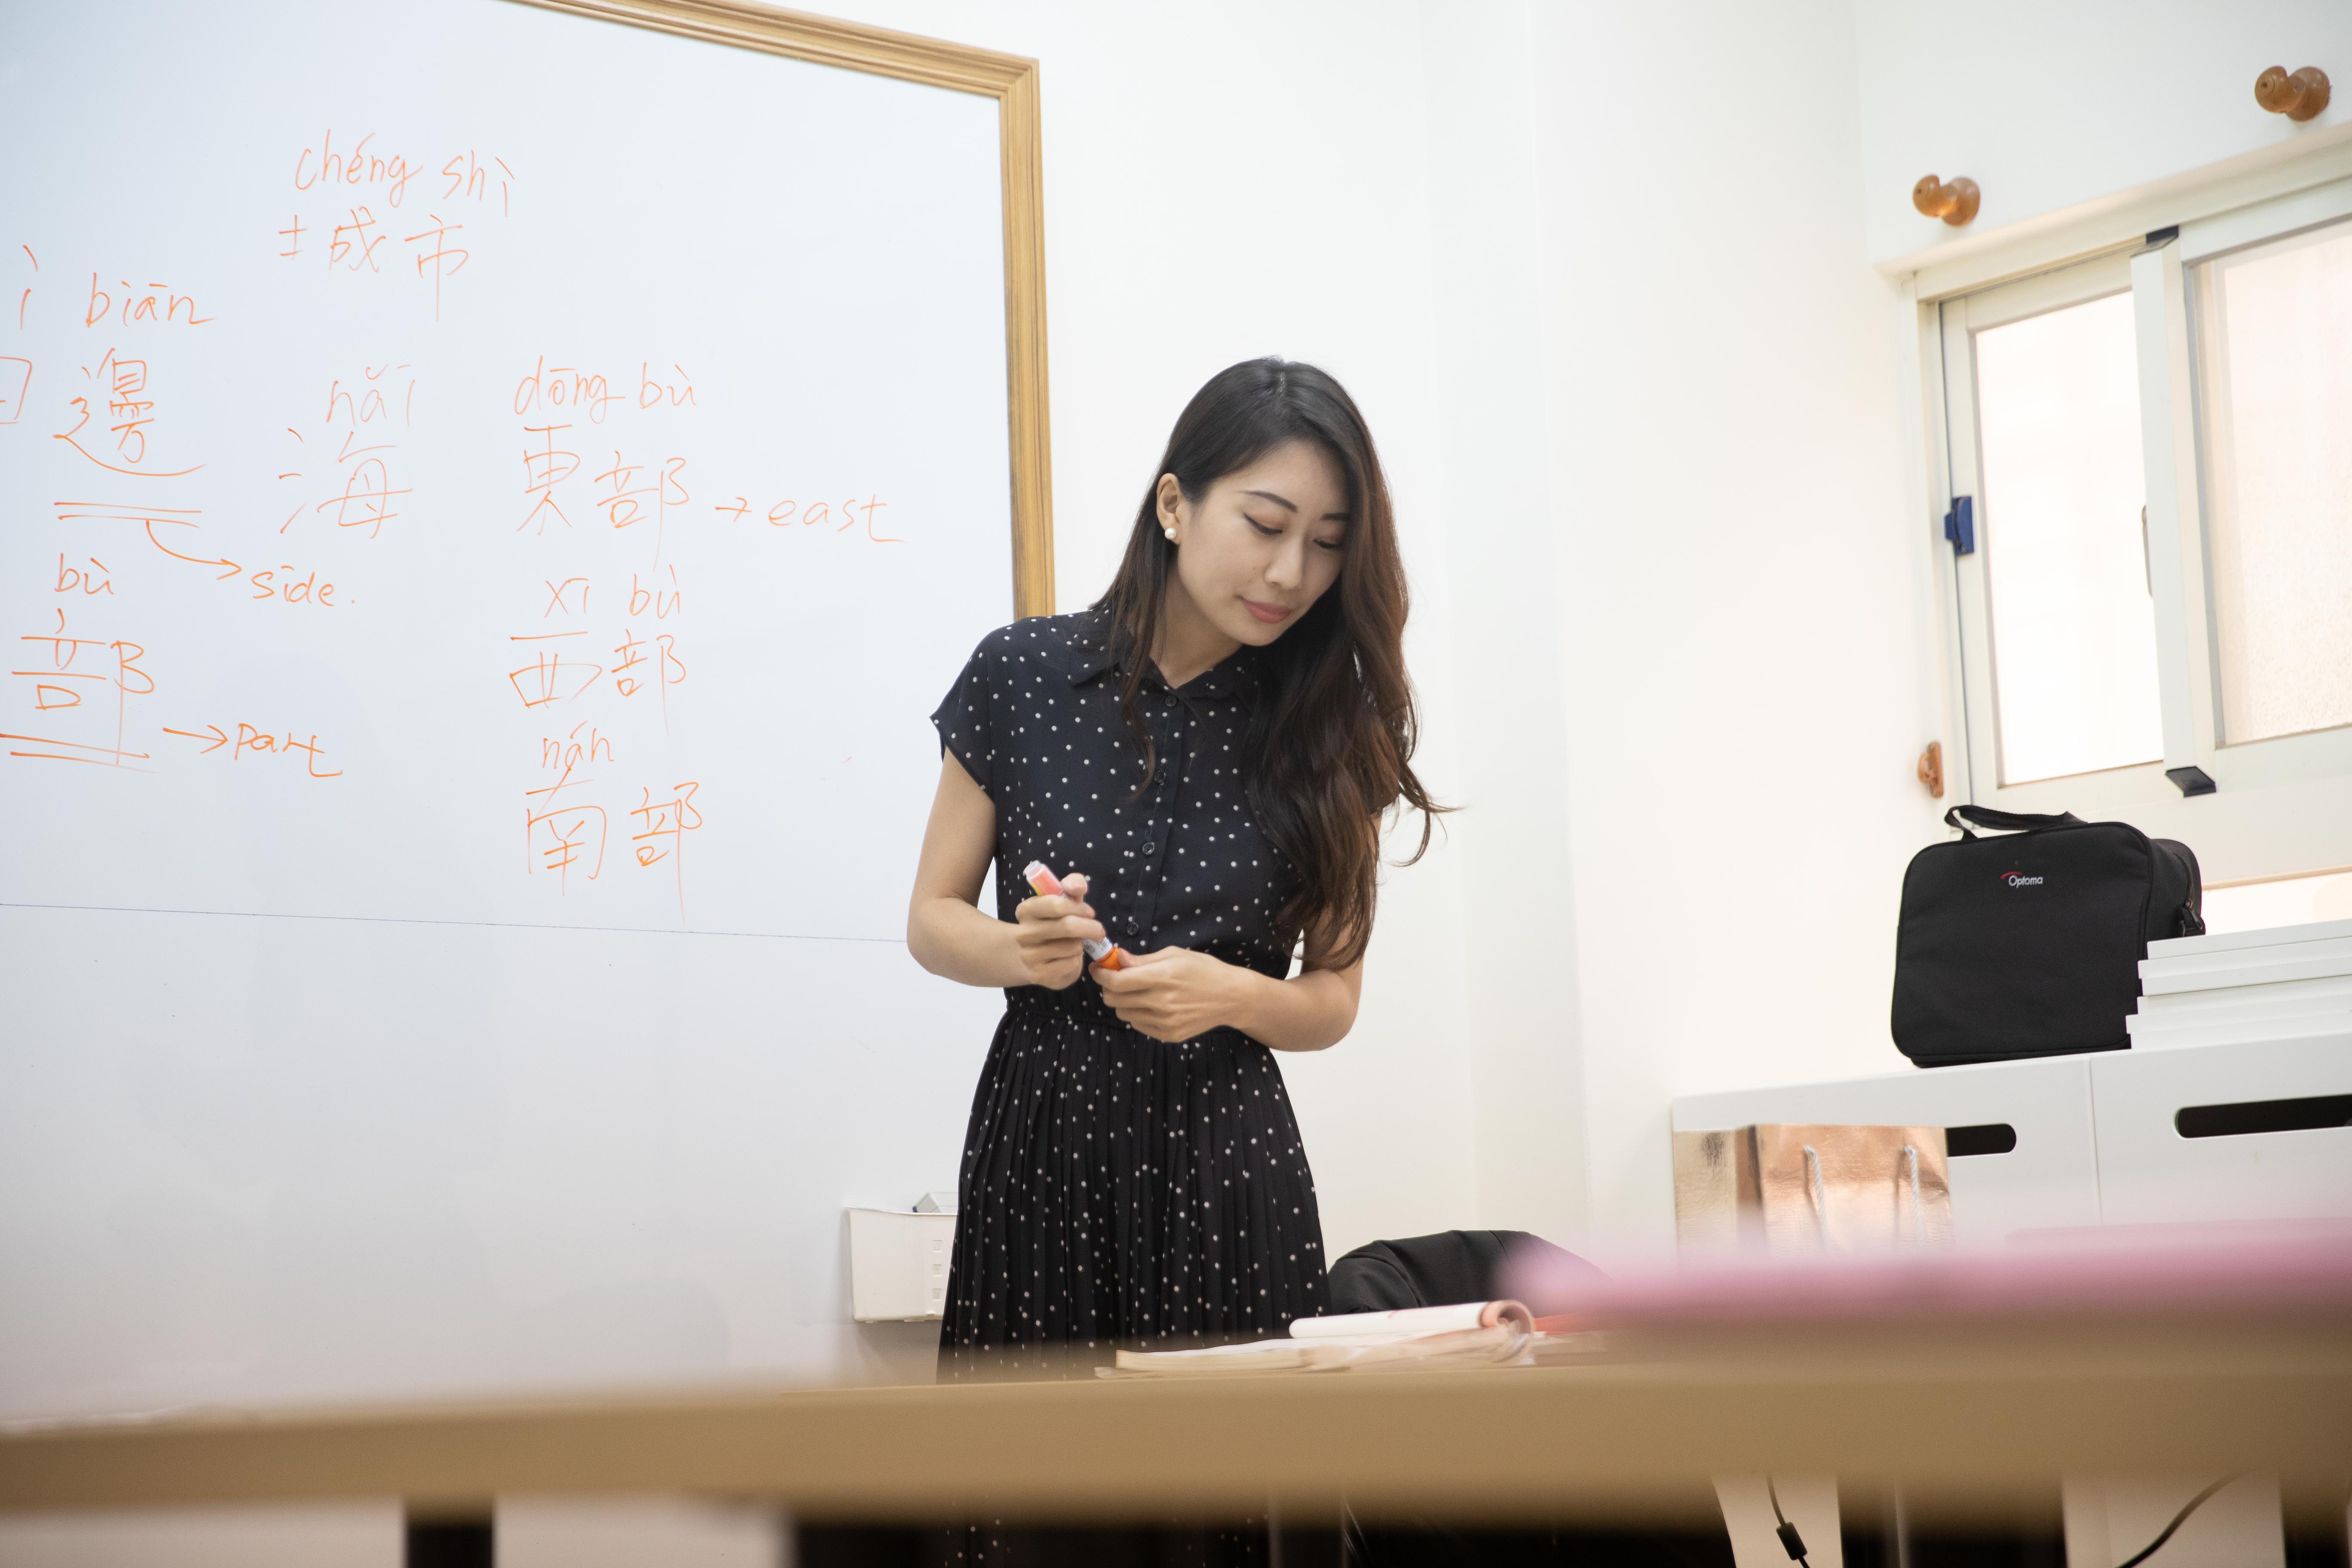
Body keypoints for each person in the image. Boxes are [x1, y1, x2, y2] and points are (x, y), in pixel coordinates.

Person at [907, 357, 1443, 1374]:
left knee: (1224, 1509)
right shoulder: (1022, 675)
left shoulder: (1333, 730)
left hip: (1228, 1166)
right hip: (1042, 1153)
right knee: (1040, 1499)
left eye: (1329, 545)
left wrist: (1231, 994)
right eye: (1267, 524)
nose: (1292, 573)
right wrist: (1029, 953)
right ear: (1174, 505)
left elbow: (1332, 999)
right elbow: (932, 918)